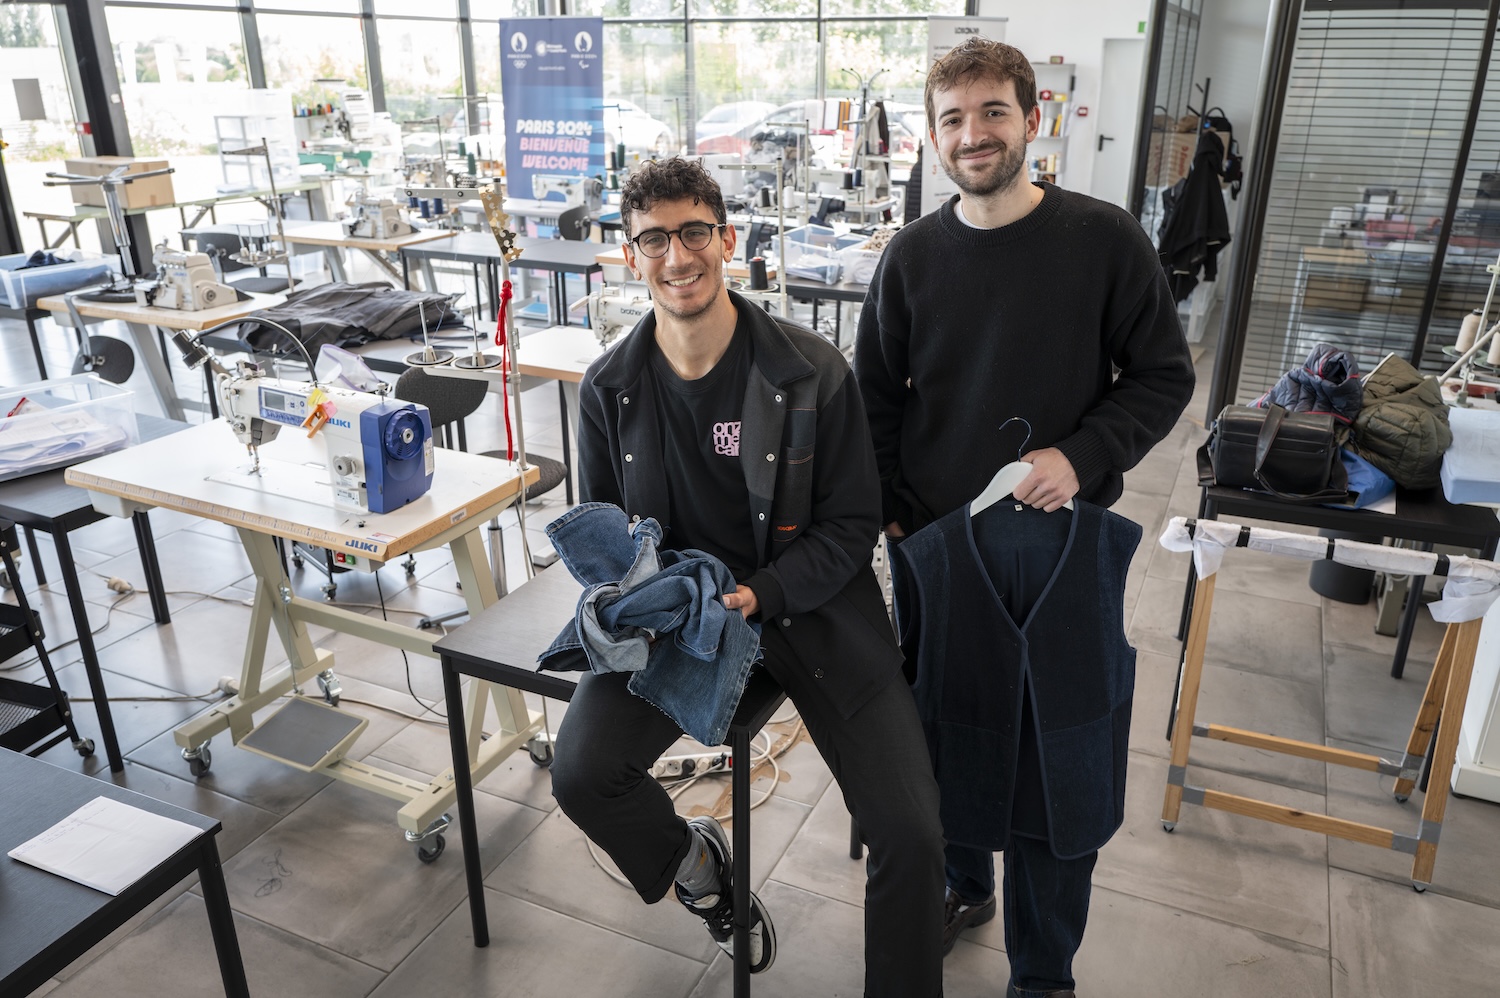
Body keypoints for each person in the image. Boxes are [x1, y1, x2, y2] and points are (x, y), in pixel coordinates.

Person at [548, 156, 946, 998]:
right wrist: (643, 599)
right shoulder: (610, 389)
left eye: (694, 232)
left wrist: (761, 592)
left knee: (911, 833)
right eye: (653, 239)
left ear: (728, 240)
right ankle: (701, 868)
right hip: (684, 627)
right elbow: (607, 535)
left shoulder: (810, 371)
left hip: (813, 612)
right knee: (583, 774)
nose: (677, 256)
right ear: (630, 255)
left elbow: (850, 527)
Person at [853, 37, 1196, 998]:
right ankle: (965, 886)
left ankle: (1043, 977)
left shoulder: (1102, 240)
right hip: (941, 549)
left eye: (993, 112)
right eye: (953, 119)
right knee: (948, 736)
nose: (974, 134)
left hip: (1061, 548)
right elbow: (872, 400)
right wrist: (897, 520)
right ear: (933, 136)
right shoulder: (911, 258)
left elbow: (1164, 375)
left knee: (1057, 766)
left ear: (1032, 120)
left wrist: (1081, 456)